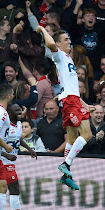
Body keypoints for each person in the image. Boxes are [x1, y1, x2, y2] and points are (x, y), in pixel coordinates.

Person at [36, 26, 94, 190]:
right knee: (87, 134)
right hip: (70, 102)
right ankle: (66, 164)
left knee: (72, 138)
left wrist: (84, 104)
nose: (70, 42)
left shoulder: (68, 59)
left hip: (72, 100)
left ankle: (66, 175)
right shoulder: (59, 56)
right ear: (59, 44)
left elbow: (71, 89)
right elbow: (50, 44)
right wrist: (43, 29)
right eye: (66, 39)